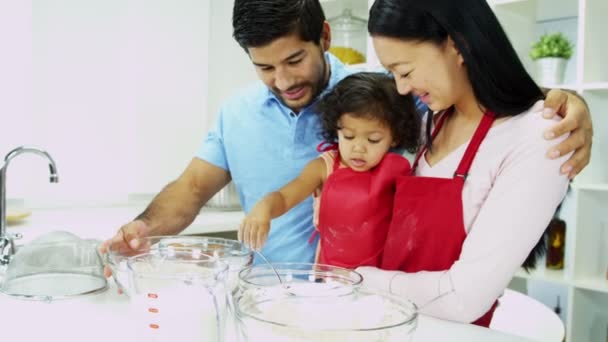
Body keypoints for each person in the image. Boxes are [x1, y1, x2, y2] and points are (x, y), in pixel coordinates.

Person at [100, 0, 592, 268]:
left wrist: (560, 99)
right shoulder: (237, 111)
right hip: (266, 294)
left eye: (295, 60)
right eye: (265, 67)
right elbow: (189, 191)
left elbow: (471, 95)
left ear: (326, 38)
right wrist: (143, 226)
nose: (284, 80)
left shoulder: (384, 96)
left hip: (366, 294)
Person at [355, 0, 576, 327]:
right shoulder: (426, 121)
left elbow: (463, 299)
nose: (401, 87)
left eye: (405, 71)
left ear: (457, 45)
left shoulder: (539, 137)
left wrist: (358, 281)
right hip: (389, 326)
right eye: (393, 74)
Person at [239, 72, 420, 269]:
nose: (358, 148)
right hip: (331, 273)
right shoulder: (323, 168)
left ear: (394, 137)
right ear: (336, 129)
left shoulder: (397, 169)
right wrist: (264, 208)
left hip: (381, 272)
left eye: (373, 140)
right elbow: (285, 197)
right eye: (349, 136)